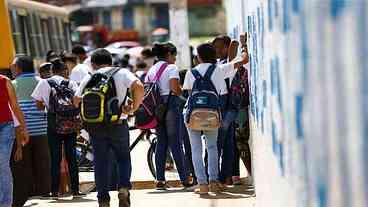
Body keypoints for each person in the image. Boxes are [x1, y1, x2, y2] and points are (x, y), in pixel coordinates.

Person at [74, 49, 144, 207]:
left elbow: (76, 100)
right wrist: (133, 108)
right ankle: (123, 189)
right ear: (111, 61)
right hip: (118, 123)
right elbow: (138, 86)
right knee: (123, 158)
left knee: (100, 162)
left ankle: (103, 199)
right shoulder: (122, 72)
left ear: (93, 64)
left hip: (96, 126)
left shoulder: (90, 77)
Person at [182, 43, 247, 194]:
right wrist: (243, 45)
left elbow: (189, 94)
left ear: (198, 57)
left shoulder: (191, 73)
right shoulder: (219, 70)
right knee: (212, 148)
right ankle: (213, 181)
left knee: (196, 149)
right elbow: (242, 61)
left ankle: (202, 184)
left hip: (193, 116)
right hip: (212, 115)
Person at [31, 59, 84, 199]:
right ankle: (76, 190)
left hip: (53, 124)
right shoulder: (71, 83)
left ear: (52, 70)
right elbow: (77, 102)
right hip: (70, 125)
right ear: (65, 70)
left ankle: (54, 192)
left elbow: (38, 105)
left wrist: (48, 106)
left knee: (55, 158)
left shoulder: (44, 82)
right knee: (71, 157)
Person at [145, 43, 191, 190]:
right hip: (171, 106)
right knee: (176, 143)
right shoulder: (171, 68)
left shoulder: (151, 70)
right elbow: (174, 89)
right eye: (175, 55)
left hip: (156, 109)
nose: (175, 59)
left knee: (161, 143)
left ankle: (160, 179)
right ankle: (185, 178)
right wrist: (181, 90)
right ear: (170, 54)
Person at [10, 55, 51, 206]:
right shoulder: (42, 82)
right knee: (42, 162)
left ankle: (24, 194)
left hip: (21, 131)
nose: (11, 69)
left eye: (13, 66)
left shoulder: (12, 84)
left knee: (22, 165)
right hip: (41, 129)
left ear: (19, 68)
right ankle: (44, 192)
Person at [0, 74, 29, 207]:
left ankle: (5, 204)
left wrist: (24, 129)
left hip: (6, 127)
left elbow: (15, 106)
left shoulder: (5, 81)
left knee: (2, 165)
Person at [212, 35, 237, 185]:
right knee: (227, 144)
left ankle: (215, 178)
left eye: (220, 47)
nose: (217, 50)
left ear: (227, 47)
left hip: (225, 108)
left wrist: (239, 43)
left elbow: (234, 44)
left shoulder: (227, 63)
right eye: (214, 48)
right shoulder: (219, 64)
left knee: (216, 144)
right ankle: (226, 177)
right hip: (229, 108)